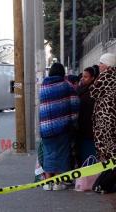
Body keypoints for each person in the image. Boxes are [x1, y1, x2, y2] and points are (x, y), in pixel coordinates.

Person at [39, 63, 79, 191]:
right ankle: (57, 183)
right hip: (62, 126)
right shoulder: (67, 85)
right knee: (61, 154)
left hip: (45, 128)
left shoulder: (43, 86)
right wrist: (73, 122)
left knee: (48, 154)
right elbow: (75, 104)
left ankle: (47, 182)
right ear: (62, 73)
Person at [89, 53, 116, 161]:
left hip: (105, 117)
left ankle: (107, 175)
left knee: (105, 149)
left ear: (108, 65)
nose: (99, 66)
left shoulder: (106, 75)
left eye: (101, 63)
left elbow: (93, 92)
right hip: (111, 115)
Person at [76, 67, 97, 165]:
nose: (83, 78)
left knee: (88, 159)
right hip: (81, 130)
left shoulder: (93, 91)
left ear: (92, 78)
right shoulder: (81, 89)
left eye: (86, 77)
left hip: (89, 131)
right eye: (83, 76)